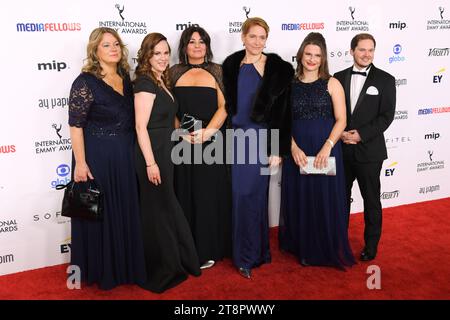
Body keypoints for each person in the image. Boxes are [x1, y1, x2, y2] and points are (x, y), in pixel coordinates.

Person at [67, 27, 146, 290]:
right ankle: (99, 270)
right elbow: (76, 125)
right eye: (106, 45)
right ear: (95, 51)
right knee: (99, 213)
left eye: (116, 44)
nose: (113, 49)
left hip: (124, 156)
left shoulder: (125, 76)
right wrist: (80, 162)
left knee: (122, 210)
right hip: (97, 157)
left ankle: (124, 265)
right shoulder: (85, 82)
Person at [222, 17, 294, 279]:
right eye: (252, 36)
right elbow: (227, 108)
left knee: (250, 195)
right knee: (243, 196)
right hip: (235, 140)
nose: (257, 42)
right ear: (243, 37)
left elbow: (283, 114)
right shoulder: (231, 65)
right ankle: (256, 251)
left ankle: (247, 256)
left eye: (262, 37)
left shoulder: (278, 68)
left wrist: (277, 148)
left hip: (261, 139)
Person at [278, 32, 355, 269]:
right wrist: (291, 147)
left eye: (317, 55)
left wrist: (328, 146)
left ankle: (323, 245)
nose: (312, 59)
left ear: (323, 59)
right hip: (297, 149)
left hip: (326, 148)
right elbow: (281, 119)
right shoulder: (288, 84)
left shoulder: (332, 83)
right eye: (308, 54)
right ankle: (302, 245)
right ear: (301, 55)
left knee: (323, 198)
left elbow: (341, 120)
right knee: (301, 196)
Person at [134, 32, 201, 293]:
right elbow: (141, 127)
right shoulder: (144, 83)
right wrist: (151, 163)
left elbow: (164, 122)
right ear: (147, 55)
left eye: (165, 52)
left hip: (165, 150)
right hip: (151, 154)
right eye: (156, 53)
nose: (162, 58)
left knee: (165, 208)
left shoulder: (162, 80)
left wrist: (184, 133)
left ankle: (176, 262)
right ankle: (162, 269)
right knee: (158, 212)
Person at [169, 26, 231, 270]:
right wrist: (182, 132)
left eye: (201, 41)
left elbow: (225, 106)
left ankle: (208, 249)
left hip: (211, 141)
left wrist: (210, 131)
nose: (197, 46)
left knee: (207, 195)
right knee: (184, 192)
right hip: (181, 141)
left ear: (207, 45)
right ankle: (186, 248)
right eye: (191, 41)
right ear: (184, 46)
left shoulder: (218, 71)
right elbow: (168, 106)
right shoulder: (172, 73)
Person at [334, 33, 396, 261]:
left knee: (371, 201)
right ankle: (338, 241)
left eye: (370, 50)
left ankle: (371, 246)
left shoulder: (386, 80)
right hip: (341, 149)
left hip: (369, 151)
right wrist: (339, 133)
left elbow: (387, 116)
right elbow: (331, 112)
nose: (366, 54)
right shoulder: (337, 78)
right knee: (340, 199)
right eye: (362, 49)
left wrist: (361, 135)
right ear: (352, 51)